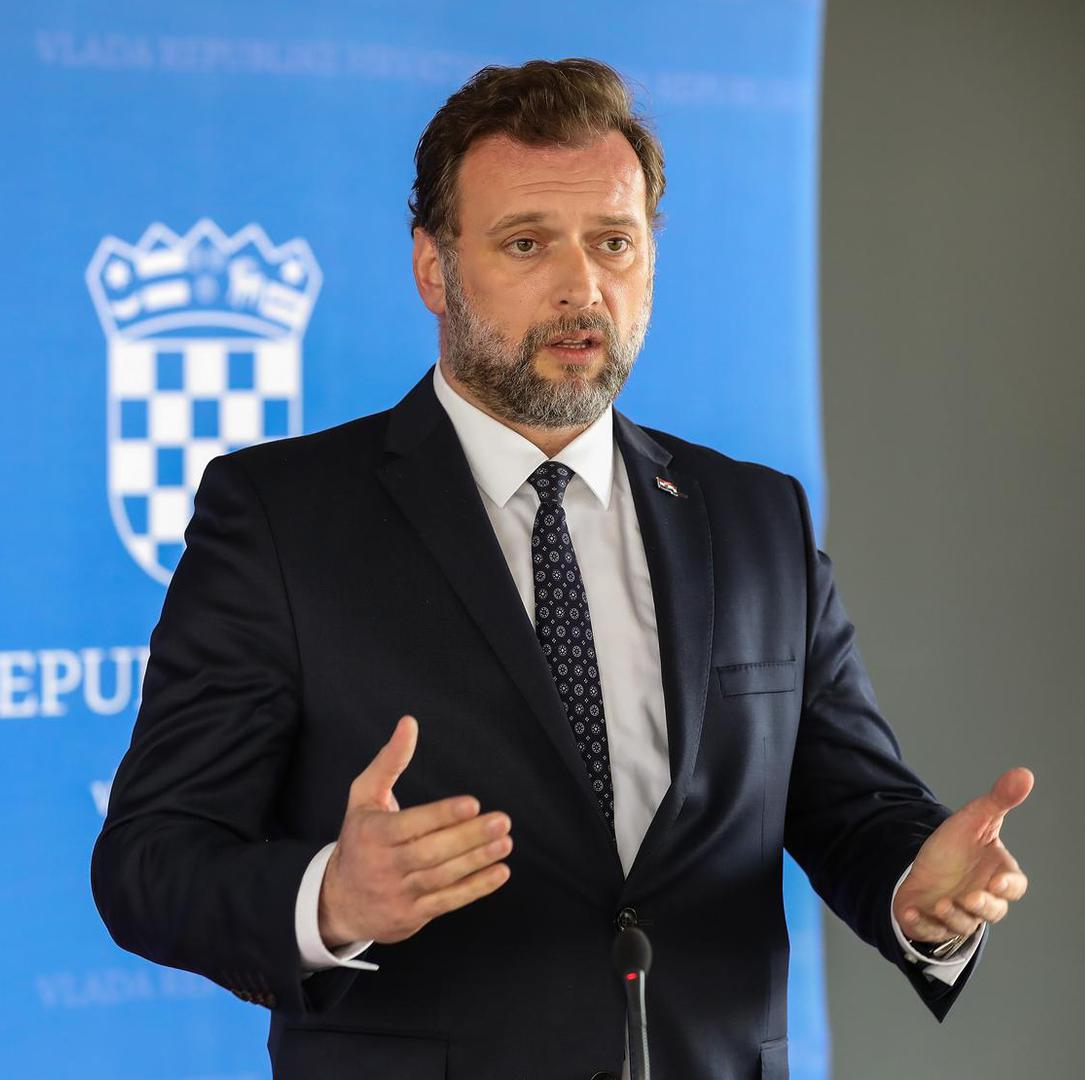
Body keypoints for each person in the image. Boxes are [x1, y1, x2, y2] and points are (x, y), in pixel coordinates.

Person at [91, 58, 1032, 1080]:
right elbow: (150, 861)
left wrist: (916, 889)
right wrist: (331, 899)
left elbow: (851, 805)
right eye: (527, 243)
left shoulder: (755, 516)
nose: (582, 287)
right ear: (433, 268)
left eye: (613, 243)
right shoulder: (283, 518)